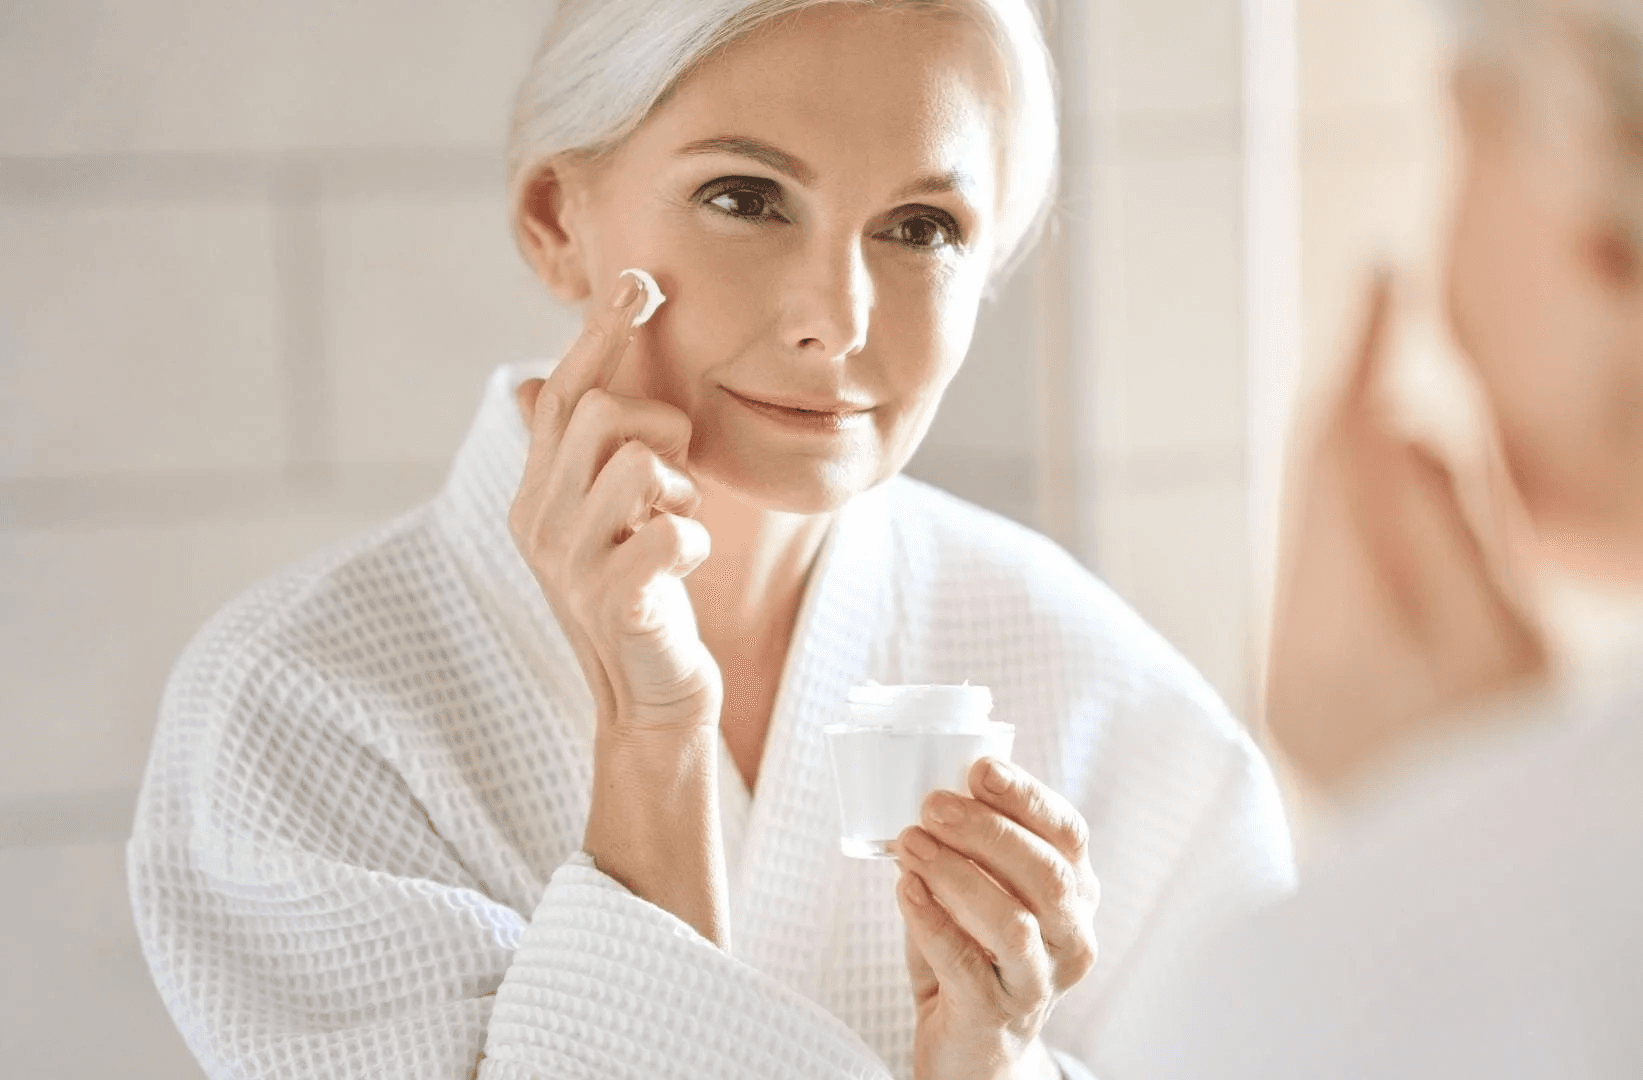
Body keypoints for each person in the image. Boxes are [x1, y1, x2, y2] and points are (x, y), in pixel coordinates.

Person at [126, 3, 1291, 1078]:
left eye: (921, 227)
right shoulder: (300, 710)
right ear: (555, 221)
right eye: (746, 197)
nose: (836, 318)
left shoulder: (1109, 703)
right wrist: (652, 746)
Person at [1113, 0, 1643, 1074]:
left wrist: (1440, 856)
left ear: (1595, 162)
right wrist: (1490, 780)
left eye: (1465, 128)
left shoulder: (1329, 995)